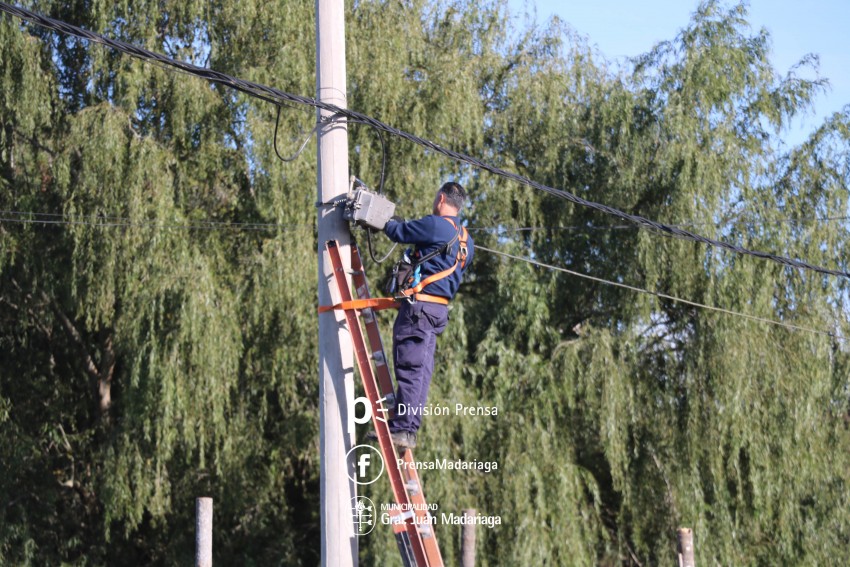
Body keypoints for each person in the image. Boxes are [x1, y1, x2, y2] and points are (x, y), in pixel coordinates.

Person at [368, 181, 474, 450]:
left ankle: (403, 429)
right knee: (421, 371)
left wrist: (377, 219)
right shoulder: (466, 240)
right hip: (438, 310)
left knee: (410, 367)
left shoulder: (436, 225)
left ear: (441, 199)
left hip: (420, 309)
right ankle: (407, 428)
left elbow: (399, 232)